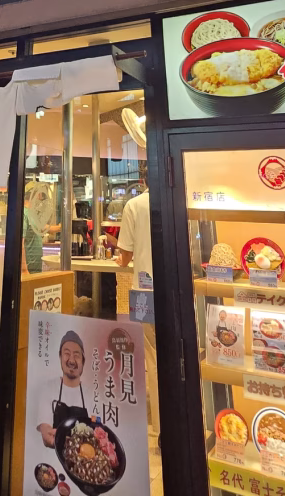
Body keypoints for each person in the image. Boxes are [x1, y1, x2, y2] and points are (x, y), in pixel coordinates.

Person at [116, 188, 160, 444]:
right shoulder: (177, 198)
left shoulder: (133, 205)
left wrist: (119, 259)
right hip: (173, 290)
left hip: (143, 292)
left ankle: (159, 426)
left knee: (153, 360)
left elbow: (125, 257)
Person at [36, 330, 92, 448]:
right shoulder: (48, 389)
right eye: (67, 354)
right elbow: (46, 432)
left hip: (84, 462)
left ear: (83, 361)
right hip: (53, 462)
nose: (71, 360)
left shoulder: (92, 395)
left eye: (76, 355)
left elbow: (95, 433)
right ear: (60, 356)